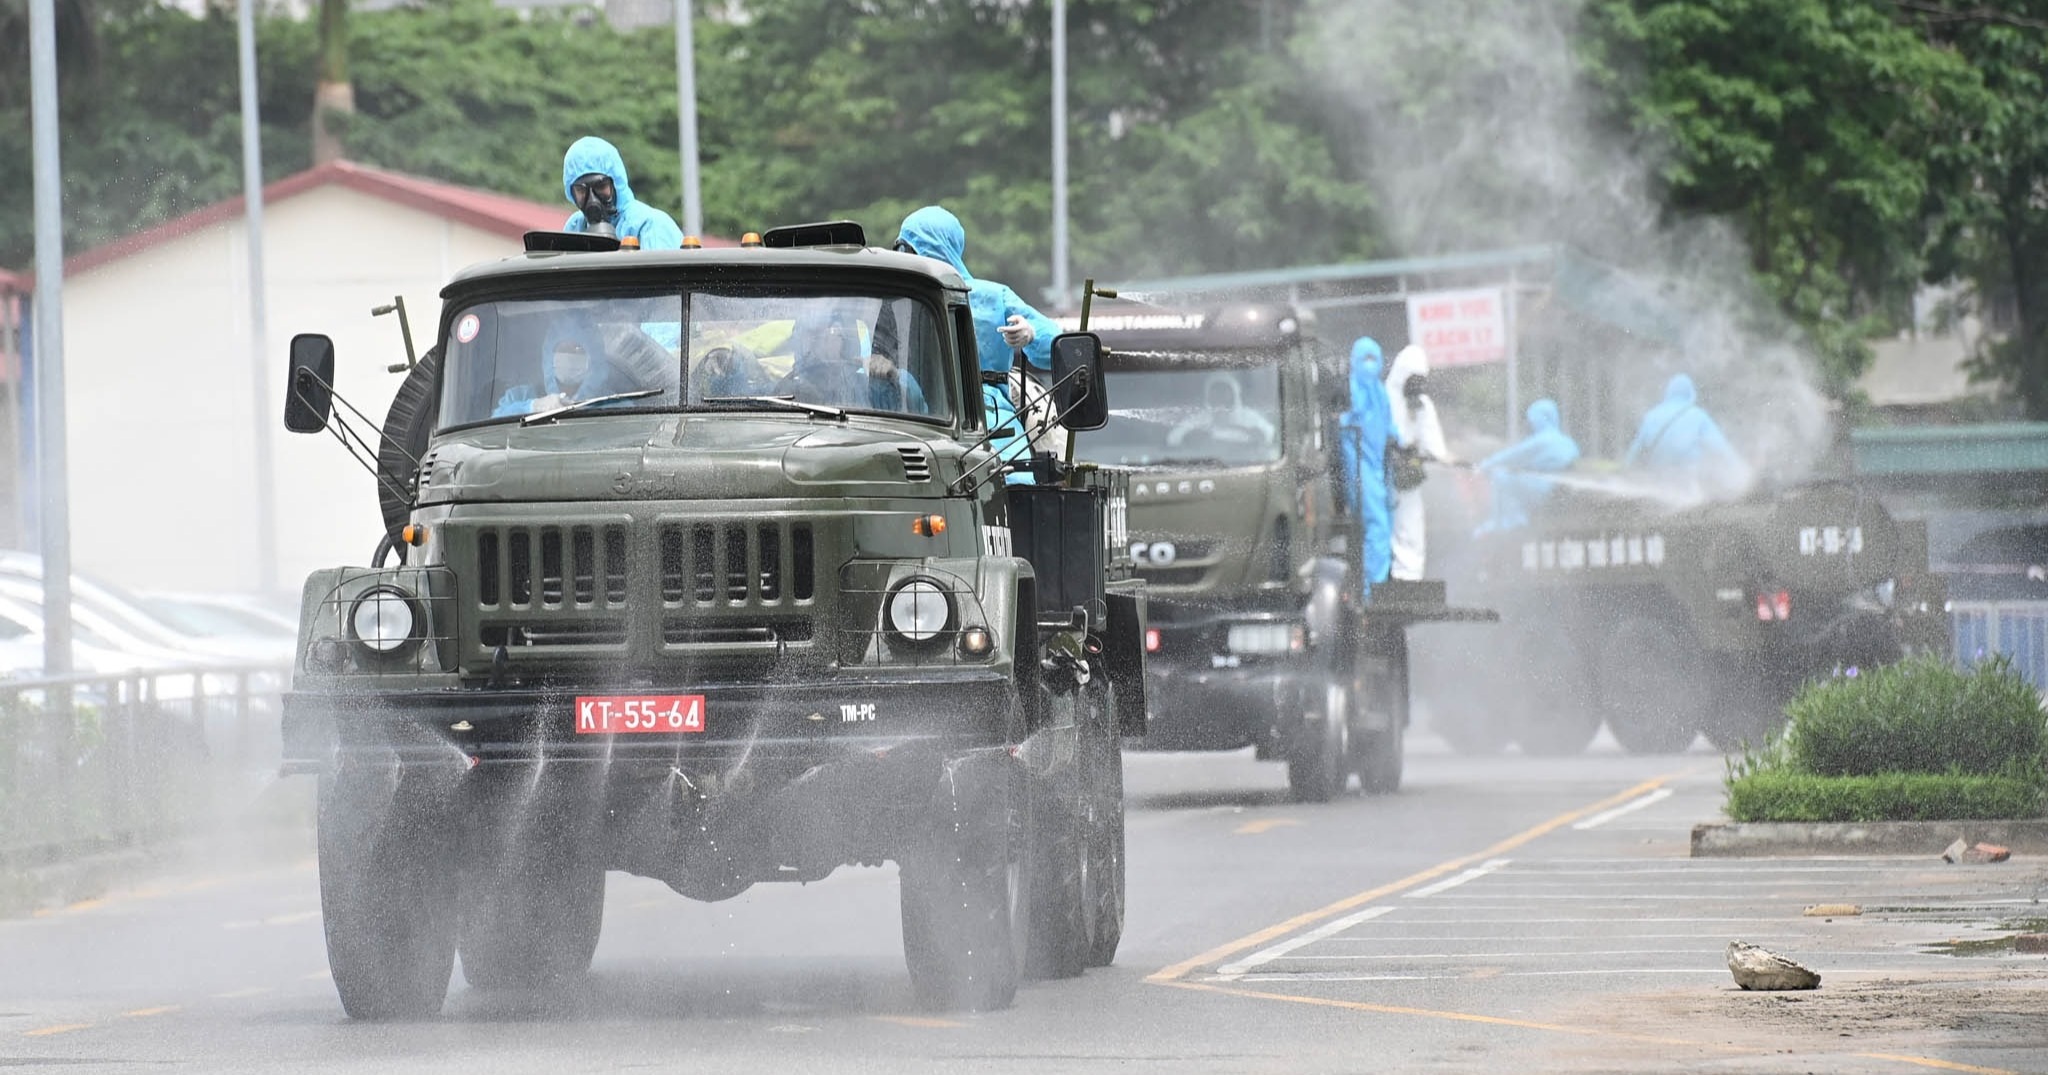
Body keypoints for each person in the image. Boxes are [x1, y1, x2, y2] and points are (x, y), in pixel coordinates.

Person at [893, 206, 1058, 480]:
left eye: (910, 247)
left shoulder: (992, 296)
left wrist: (1029, 333)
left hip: (988, 414)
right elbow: (871, 361)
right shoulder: (894, 302)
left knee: (1015, 479)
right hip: (912, 413)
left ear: (937, 246)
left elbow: (1054, 343)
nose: (903, 256)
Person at [1624, 373, 1750, 501]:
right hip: (1687, 476)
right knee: (1692, 502)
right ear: (1691, 393)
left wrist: (1625, 471)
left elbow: (1635, 450)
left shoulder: (1651, 416)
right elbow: (1721, 447)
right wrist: (1742, 472)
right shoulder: (1698, 415)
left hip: (1659, 475)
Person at [1384, 344, 1451, 580]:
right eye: (1414, 378)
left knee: (1409, 520)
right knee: (1384, 522)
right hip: (1383, 470)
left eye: (1422, 379)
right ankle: (1387, 572)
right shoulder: (1386, 398)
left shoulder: (1421, 404)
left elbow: (1431, 437)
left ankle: (1409, 573)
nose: (1418, 385)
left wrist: (1441, 456)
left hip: (1407, 471)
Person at [1339, 336, 1395, 589]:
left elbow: (1388, 425)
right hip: (1357, 465)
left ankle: (1376, 579)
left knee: (1383, 523)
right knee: (1377, 525)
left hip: (1377, 466)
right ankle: (1372, 586)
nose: (1370, 365)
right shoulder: (1351, 390)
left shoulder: (1380, 392)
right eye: (1365, 359)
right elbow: (1341, 424)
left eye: (1374, 359)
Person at [1476, 398, 1579, 533]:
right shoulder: (1567, 441)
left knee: (1501, 476)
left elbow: (1512, 456)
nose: (1529, 423)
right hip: (1561, 490)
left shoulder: (1542, 440)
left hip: (1544, 489)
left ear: (1539, 419)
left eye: (1532, 419)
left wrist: (1485, 465)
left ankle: (1509, 520)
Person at [561, 136, 684, 250]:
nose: (592, 199)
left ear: (616, 184)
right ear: (571, 193)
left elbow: (658, 273)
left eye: (600, 186)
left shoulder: (651, 226)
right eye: (581, 190)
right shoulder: (575, 227)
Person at [492, 312, 622, 417]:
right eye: (563, 350)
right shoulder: (520, 397)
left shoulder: (614, 403)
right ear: (549, 356)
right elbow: (493, 428)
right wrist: (534, 406)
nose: (570, 357)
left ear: (594, 359)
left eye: (577, 350)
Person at [1167, 373, 1276, 449]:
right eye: (1216, 392)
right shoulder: (1199, 418)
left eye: (1225, 391)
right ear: (1208, 395)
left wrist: (1237, 427)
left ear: (1234, 393)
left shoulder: (1248, 416)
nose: (1220, 396)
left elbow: (1269, 436)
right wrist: (1194, 435)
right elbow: (1173, 438)